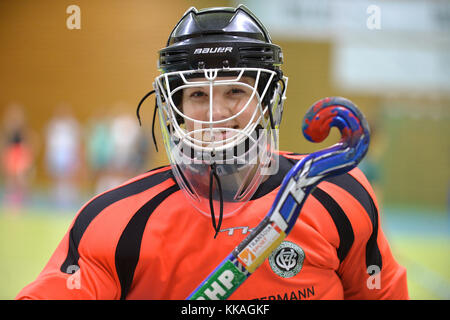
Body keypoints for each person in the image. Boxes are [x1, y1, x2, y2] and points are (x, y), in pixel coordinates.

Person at [16, 5, 408, 300]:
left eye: (236, 91)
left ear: (268, 100)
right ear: (175, 108)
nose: (217, 113)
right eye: (198, 94)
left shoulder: (339, 195)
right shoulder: (112, 222)